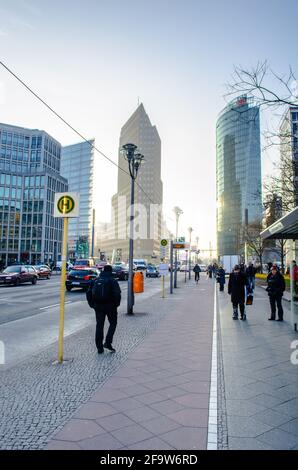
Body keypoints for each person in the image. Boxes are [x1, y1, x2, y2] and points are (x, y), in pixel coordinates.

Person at [87, 265, 121, 353]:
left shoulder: (95, 280)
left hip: (98, 306)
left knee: (99, 325)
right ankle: (108, 342)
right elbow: (117, 294)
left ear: (103, 270)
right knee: (113, 323)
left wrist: (92, 304)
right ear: (110, 271)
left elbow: (88, 293)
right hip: (110, 306)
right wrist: (116, 304)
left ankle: (99, 347)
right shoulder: (112, 281)